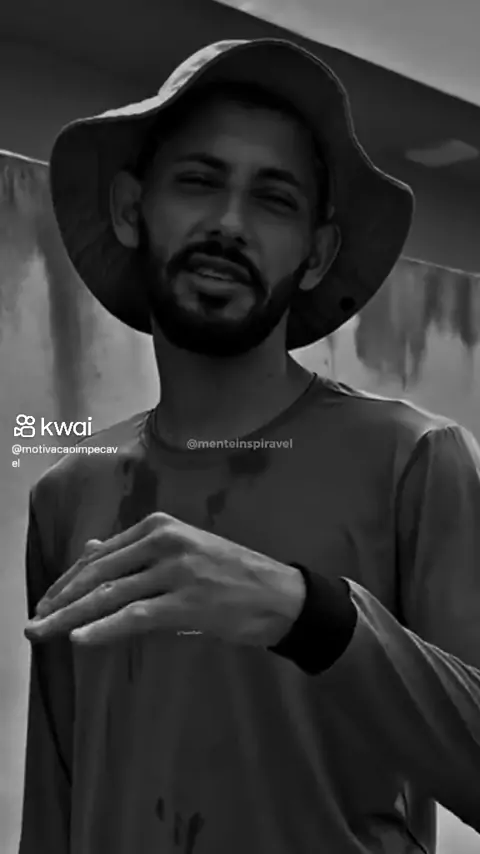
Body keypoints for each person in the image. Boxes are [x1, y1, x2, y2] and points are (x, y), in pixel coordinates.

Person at [19, 38, 480, 854]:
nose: (229, 225)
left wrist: (306, 612)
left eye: (274, 200)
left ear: (318, 254)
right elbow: (57, 800)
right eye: (199, 182)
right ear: (131, 209)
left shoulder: (415, 458)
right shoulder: (68, 493)